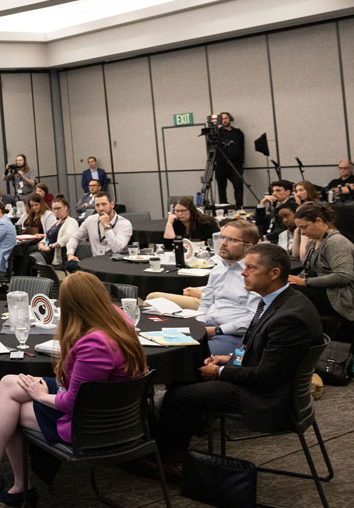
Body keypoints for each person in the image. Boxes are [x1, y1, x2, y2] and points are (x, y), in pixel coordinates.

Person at [0, 272, 146, 507]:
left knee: (11, 411)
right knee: (9, 383)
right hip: (113, 408)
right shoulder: (119, 318)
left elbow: (73, 402)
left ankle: (19, 485)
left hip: (93, 423)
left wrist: (41, 396)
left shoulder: (96, 344)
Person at [156, 244, 323, 474]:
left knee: (178, 395)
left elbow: (267, 377)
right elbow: (259, 350)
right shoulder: (280, 300)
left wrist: (220, 372)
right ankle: (179, 441)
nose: (243, 273)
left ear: (274, 273)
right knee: (190, 374)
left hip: (269, 398)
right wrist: (229, 358)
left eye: (251, 267)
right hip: (269, 384)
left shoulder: (289, 318)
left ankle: (168, 461)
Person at [147, 219, 261, 356]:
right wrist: (200, 325)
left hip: (233, 335)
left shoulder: (255, 275)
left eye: (231, 240)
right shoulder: (218, 270)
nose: (223, 243)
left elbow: (253, 320)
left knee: (188, 355)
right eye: (223, 237)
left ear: (248, 246)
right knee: (163, 345)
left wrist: (216, 330)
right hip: (207, 327)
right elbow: (205, 304)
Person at [287, 202, 354, 333]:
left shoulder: (336, 242)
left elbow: (344, 276)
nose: (303, 233)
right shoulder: (312, 243)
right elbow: (307, 268)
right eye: (299, 228)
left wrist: (305, 282)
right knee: (283, 286)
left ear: (318, 221)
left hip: (339, 295)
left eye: (304, 227)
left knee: (288, 293)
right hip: (323, 290)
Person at [66, 193, 133, 261]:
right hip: (96, 261)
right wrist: (70, 254)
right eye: (97, 205)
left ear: (112, 204)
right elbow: (75, 237)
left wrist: (106, 226)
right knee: (71, 265)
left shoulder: (124, 224)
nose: (101, 208)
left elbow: (117, 249)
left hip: (116, 262)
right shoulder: (90, 220)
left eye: (104, 204)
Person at [213, 111, 245, 205]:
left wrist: (241, 162)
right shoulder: (216, 133)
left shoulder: (238, 133)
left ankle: (239, 207)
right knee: (222, 188)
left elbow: (242, 148)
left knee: (239, 186)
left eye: (226, 118)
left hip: (235, 165)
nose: (224, 120)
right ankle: (224, 208)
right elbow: (211, 148)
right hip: (221, 165)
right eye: (222, 119)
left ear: (230, 118)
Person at [37, 195, 79, 266]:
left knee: (29, 254)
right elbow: (48, 236)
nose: (56, 211)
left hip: (54, 253)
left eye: (58, 208)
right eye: (54, 209)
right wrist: (42, 243)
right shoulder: (56, 222)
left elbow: (68, 236)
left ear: (66, 208)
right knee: (27, 252)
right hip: (46, 249)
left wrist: (51, 246)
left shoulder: (71, 221)